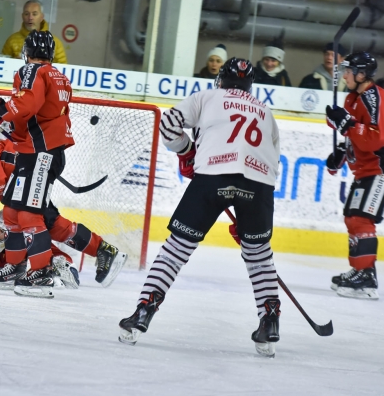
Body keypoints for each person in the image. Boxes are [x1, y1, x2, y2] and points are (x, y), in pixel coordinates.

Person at [118, 58, 284, 357]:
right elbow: (274, 162)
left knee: (176, 250)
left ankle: (143, 312)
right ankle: (270, 323)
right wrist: (249, 218)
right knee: (259, 256)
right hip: (259, 185)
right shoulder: (264, 111)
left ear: (221, 80)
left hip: (213, 178)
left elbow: (168, 123)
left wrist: (187, 152)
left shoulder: (207, 97)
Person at [0, 105, 125, 290]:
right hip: (12, 188)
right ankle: (91, 252)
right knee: (43, 221)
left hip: (24, 171)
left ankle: (57, 262)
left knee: (40, 220)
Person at [0, 30, 112, 298]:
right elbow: (41, 116)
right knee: (12, 212)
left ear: (26, 52)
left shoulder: (31, 71)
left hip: (41, 154)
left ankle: (41, 273)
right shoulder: (60, 77)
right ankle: (15, 266)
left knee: (29, 215)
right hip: (38, 152)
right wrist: (4, 121)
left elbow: (26, 105)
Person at [325, 52, 384, 300]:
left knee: (362, 218)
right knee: (352, 217)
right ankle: (360, 270)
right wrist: (341, 154)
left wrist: (347, 125)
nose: (345, 76)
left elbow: (375, 137)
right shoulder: (353, 98)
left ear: (362, 74)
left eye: (348, 71)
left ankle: (366, 277)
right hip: (367, 168)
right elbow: (353, 134)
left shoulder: (375, 97)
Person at [1, 0, 67, 64]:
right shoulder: (12, 40)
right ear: (22, 16)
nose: (30, 17)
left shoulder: (54, 42)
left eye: (34, 14)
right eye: (26, 14)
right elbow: (2, 64)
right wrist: (15, 62)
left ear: (41, 17)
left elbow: (63, 68)